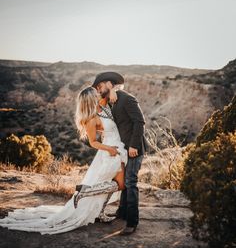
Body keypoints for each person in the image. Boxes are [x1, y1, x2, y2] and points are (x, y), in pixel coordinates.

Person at [0, 82, 128, 235]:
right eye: (95, 94)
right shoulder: (91, 119)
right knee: (120, 185)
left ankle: (98, 210)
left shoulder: (102, 109)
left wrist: (113, 89)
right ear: (90, 100)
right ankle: (84, 193)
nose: (99, 94)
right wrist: (109, 148)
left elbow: (116, 91)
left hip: (117, 147)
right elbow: (93, 142)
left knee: (114, 183)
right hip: (111, 151)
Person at [92, 71, 148, 235]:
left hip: (134, 148)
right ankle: (122, 213)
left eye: (100, 86)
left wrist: (133, 146)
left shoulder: (127, 98)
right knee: (124, 182)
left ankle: (132, 222)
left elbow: (140, 122)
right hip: (122, 149)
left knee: (131, 183)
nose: (98, 90)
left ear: (109, 84)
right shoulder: (111, 100)